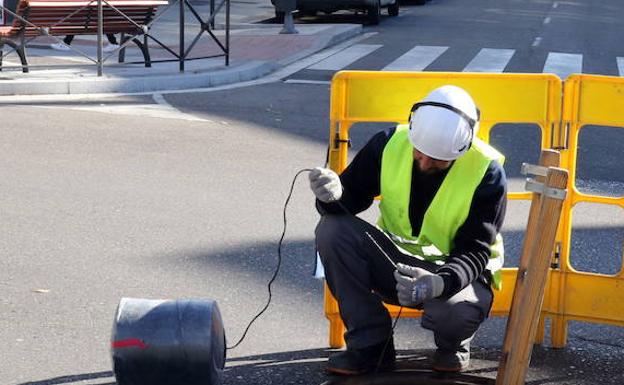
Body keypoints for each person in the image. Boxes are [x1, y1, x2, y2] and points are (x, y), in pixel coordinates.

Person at [310, 85, 507, 375]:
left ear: (462, 149)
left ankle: (453, 345)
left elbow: (475, 251)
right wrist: (331, 196)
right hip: (395, 264)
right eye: (420, 153)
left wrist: (440, 282)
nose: (425, 163)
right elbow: (348, 202)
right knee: (332, 231)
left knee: (456, 313)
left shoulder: (486, 172)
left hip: (454, 279)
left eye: (438, 159)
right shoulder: (390, 144)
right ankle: (370, 346)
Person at [50, 34, 119, 52]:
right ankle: (113, 42)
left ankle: (66, 43)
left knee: (75, 22)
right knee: (104, 21)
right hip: (103, 23)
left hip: (83, 23)